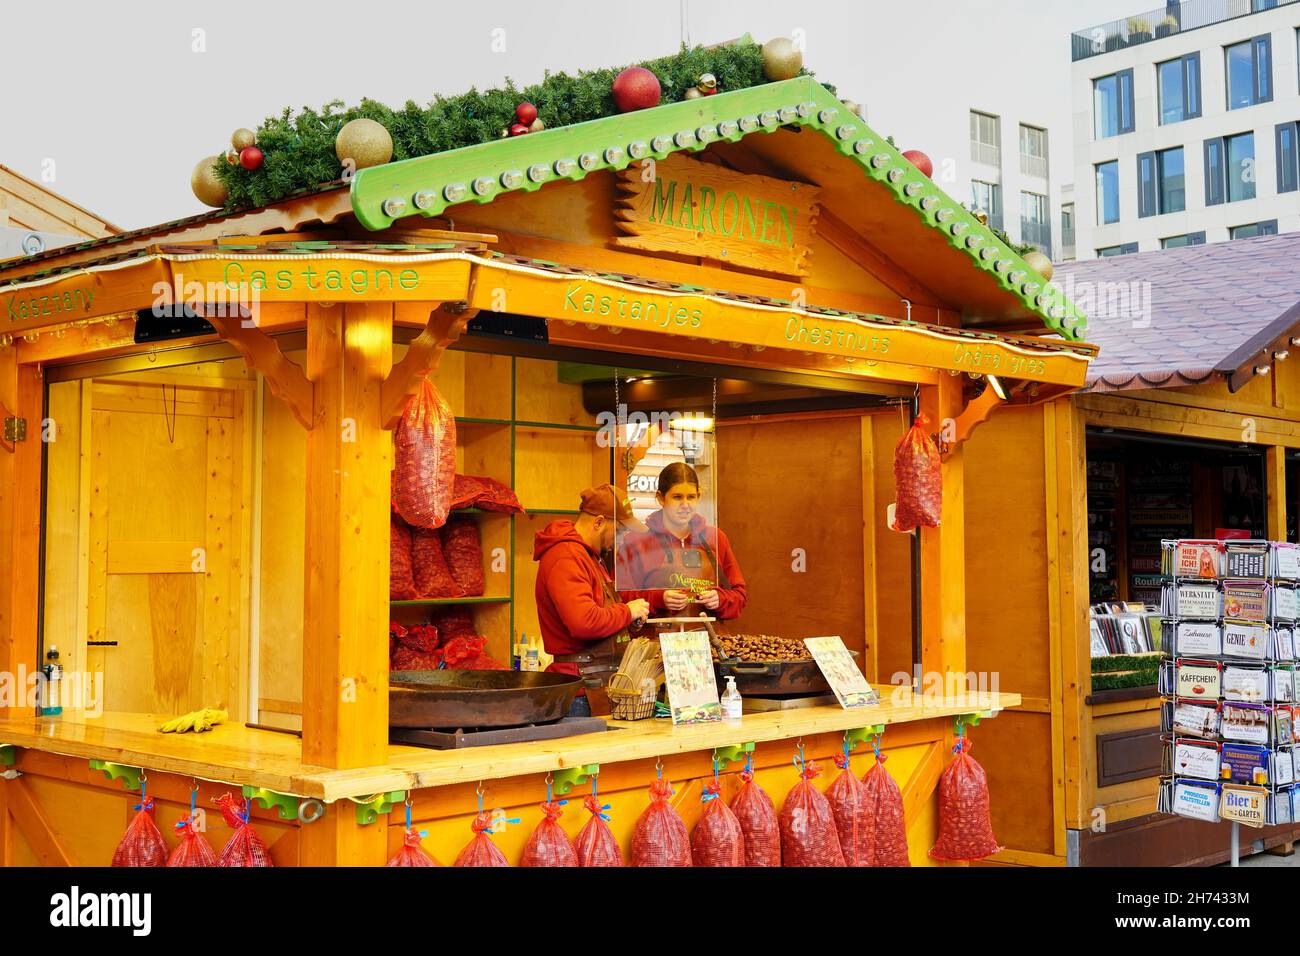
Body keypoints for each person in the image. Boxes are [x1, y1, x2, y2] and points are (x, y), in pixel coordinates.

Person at [533, 484, 651, 717]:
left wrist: (630, 622)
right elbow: (583, 621)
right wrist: (627, 612)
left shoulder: (591, 557)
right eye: (618, 531)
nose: (621, 539)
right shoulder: (566, 556)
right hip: (582, 692)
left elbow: (601, 612)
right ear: (598, 522)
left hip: (599, 684)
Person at [616, 462, 747, 620]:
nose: (685, 505)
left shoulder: (716, 538)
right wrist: (659, 599)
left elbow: (739, 595)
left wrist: (721, 599)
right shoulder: (635, 542)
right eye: (677, 497)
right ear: (660, 498)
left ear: (698, 497)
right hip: (655, 639)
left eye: (691, 497)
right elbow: (619, 599)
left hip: (708, 638)